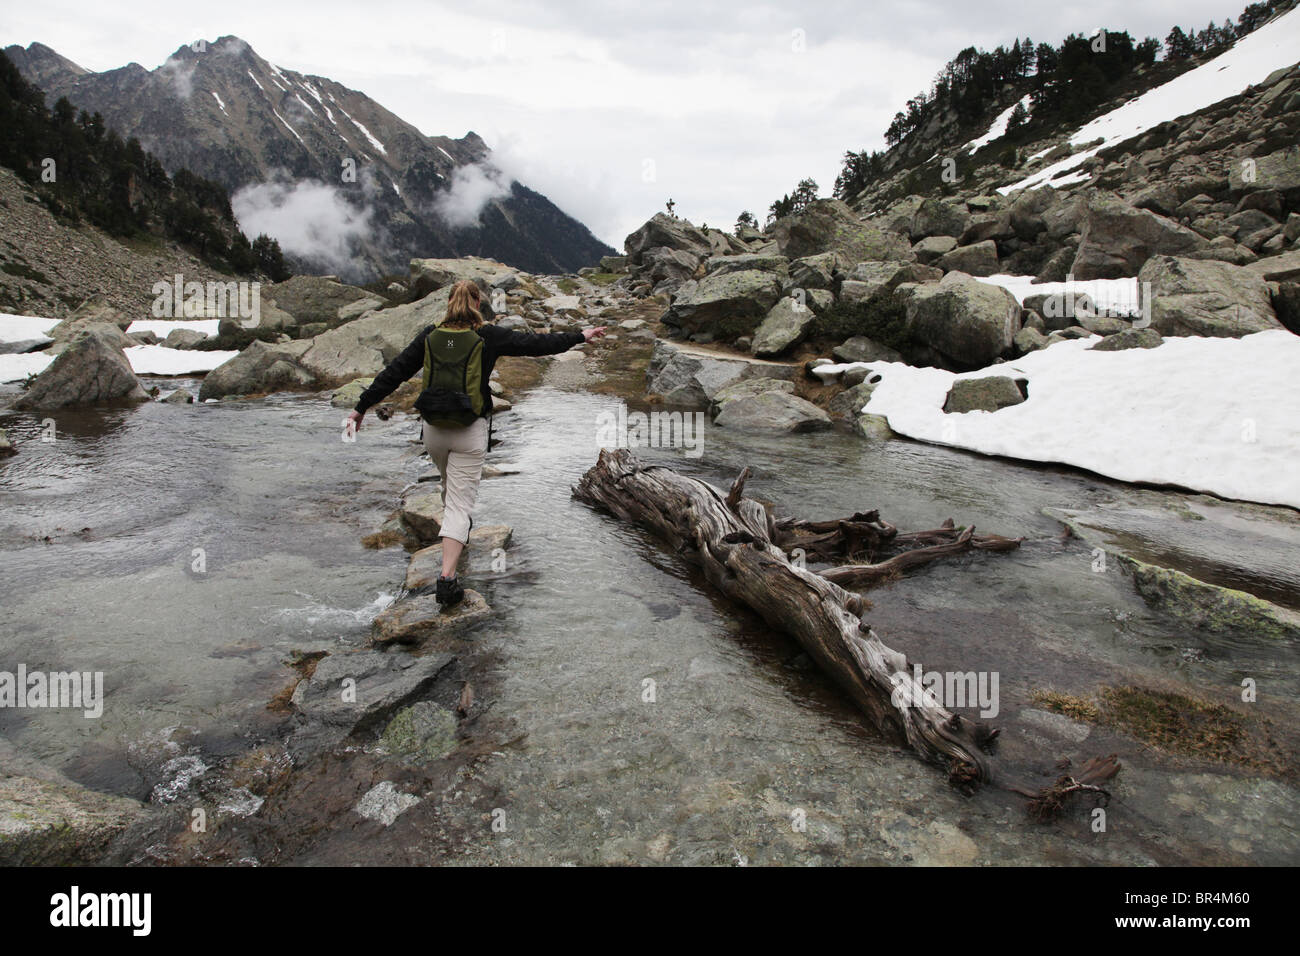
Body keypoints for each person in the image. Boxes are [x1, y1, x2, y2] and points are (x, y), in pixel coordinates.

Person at [346, 280, 607, 606]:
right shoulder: (489, 336)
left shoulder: (430, 335)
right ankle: (447, 578)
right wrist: (580, 336)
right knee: (459, 505)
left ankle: (455, 538)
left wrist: (360, 408)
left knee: (449, 489)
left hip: (433, 429)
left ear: (449, 302)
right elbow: (536, 344)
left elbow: (395, 372)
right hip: (470, 428)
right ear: (477, 304)